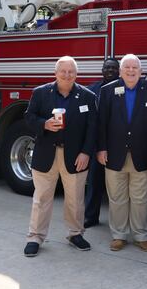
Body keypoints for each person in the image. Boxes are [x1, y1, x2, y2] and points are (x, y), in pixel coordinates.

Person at [23, 56, 97, 257]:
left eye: (71, 71)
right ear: (55, 73)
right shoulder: (40, 93)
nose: (67, 75)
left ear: (76, 74)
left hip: (75, 157)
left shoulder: (87, 97)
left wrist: (85, 153)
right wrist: (44, 124)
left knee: (75, 199)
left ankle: (75, 234)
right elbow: (29, 118)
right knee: (42, 198)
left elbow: (92, 129)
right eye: (63, 71)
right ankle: (35, 237)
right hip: (45, 154)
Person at [97, 54, 147, 252]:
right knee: (117, 198)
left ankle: (140, 234)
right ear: (120, 70)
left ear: (141, 71)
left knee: (141, 198)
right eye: (127, 67)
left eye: (135, 67)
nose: (131, 70)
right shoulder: (107, 90)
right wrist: (101, 148)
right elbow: (101, 123)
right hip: (114, 154)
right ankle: (119, 235)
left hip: (143, 155)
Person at [83, 57, 120, 228]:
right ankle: (90, 217)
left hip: (117, 144)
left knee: (117, 187)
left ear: (119, 71)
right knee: (94, 181)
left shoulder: (124, 88)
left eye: (113, 68)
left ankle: (118, 221)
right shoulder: (92, 90)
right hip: (97, 145)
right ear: (102, 70)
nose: (110, 71)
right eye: (107, 68)